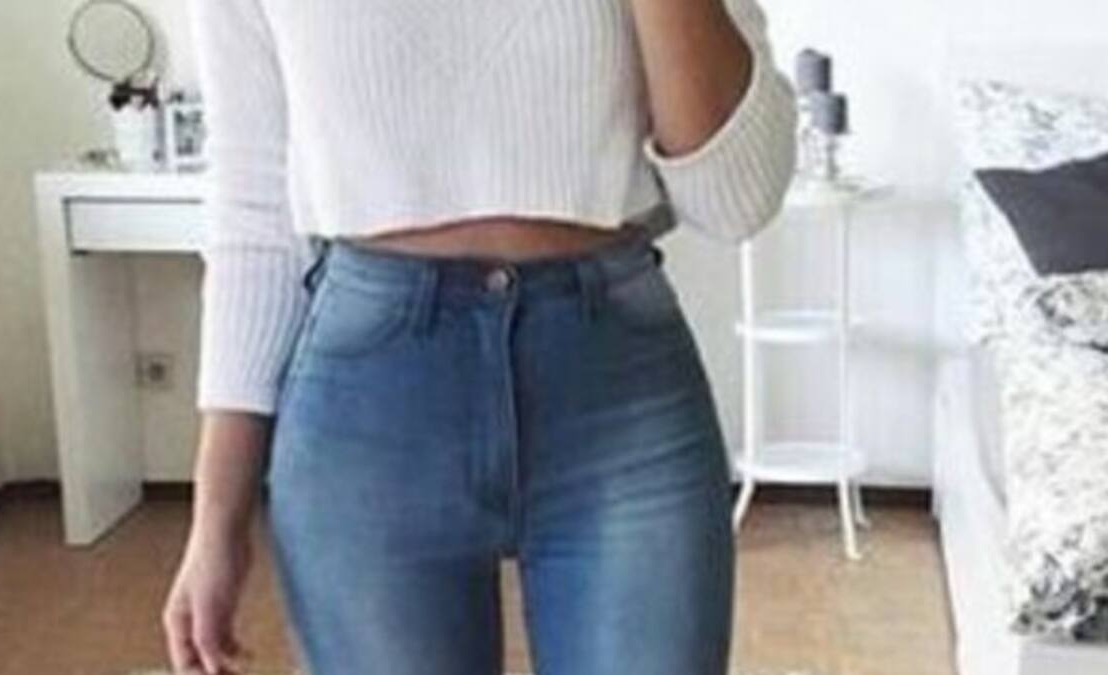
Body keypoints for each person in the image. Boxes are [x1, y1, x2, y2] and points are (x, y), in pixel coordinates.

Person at [163, 0, 796, 673]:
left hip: (618, 389)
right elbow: (254, 210)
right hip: (370, 408)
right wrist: (216, 519)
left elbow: (737, 200)